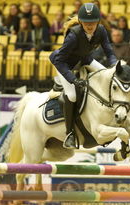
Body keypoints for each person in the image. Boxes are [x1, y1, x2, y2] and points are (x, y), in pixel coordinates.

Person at [49, 3, 117, 149]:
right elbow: (59, 61)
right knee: (72, 95)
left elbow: (109, 52)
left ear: (98, 21)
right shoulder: (73, 35)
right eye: (86, 22)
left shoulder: (101, 31)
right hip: (64, 65)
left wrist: (115, 66)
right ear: (80, 22)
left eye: (92, 22)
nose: (89, 25)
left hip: (83, 60)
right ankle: (70, 134)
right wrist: (73, 79)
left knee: (108, 76)